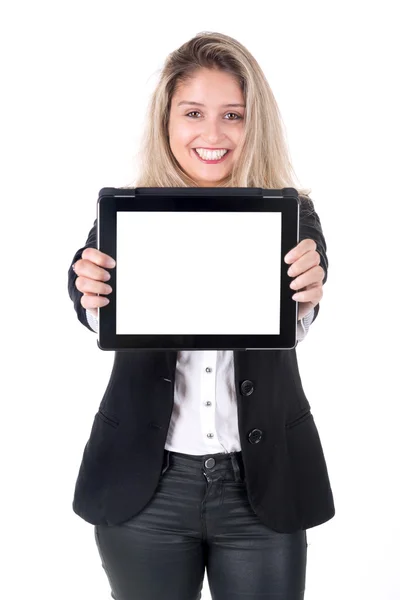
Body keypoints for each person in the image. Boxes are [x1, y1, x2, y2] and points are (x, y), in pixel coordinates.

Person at [68, 31, 334, 600]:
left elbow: (301, 310)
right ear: (168, 121)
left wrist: (306, 295)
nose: (212, 135)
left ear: (252, 123)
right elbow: (87, 297)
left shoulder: (293, 215)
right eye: (194, 113)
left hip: (261, 484)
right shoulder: (127, 213)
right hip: (146, 485)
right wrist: (90, 293)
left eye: (233, 115)